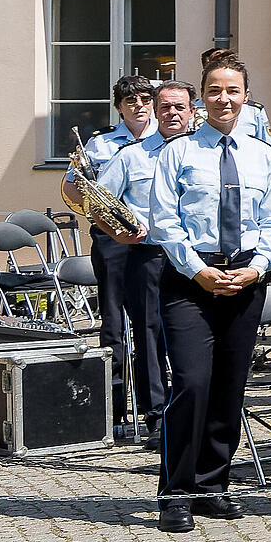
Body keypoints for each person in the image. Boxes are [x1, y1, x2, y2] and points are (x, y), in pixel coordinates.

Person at [149, 54, 271, 533]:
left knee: (230, 385)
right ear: (200, 98)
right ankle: (175, 491)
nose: (223, 99)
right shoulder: (177, 153)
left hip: (245, 279)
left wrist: (258, 269)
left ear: (246, 97)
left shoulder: (262, 154)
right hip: (190, 283)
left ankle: (213, 484)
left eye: (233, 91)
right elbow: (165, 221)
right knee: (191, 382)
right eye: (214, 91)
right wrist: (198, 270)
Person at [74, 75, 159, 435]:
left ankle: (155, 410)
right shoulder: (100, 143)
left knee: (150, 325)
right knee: (112, 324)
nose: (138, 106)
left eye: (144, 99)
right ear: (119, 107)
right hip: (111, 241)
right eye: (130, 101)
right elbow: (74, 189)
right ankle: (113, 409)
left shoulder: (167, 141)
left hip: (152, 243)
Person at [197, 46, 271, 146]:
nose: (223, 100)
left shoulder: (254, 111)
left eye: (232, 91)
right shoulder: (192, 110)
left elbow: (267, 144)